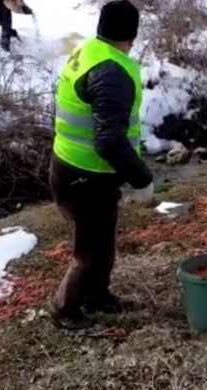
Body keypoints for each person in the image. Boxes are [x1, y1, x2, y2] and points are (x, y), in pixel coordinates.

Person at [48, 0, 155, 330]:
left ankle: (99, 296)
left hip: (74, 166)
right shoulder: (111, 71)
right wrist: (141, 178)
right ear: (131, 36)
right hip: (85, 176)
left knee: (102, 238)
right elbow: (109, 141)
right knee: (89, 249)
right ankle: (64, 309)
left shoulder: (91, 51)